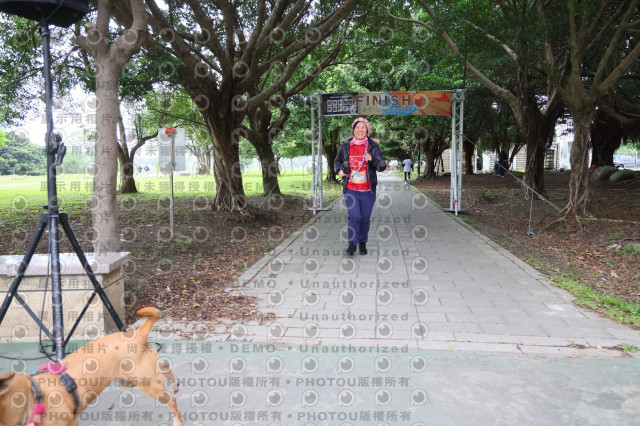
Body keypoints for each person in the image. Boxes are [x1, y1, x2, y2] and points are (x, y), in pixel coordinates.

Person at [334, 117, 387, 256]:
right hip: (351, 189)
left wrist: (373, 159)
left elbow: (382, 166)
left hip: (367, 191)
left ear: (367, 130)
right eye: (357, 127)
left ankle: (362, 242)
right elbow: (337, 160)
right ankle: (352, 244)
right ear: (354, 129)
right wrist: (338, 171)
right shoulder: (346, 145)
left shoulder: (373, 147)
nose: (360, 130)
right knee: (354, 216)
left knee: (364, 218)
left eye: (363, 127)